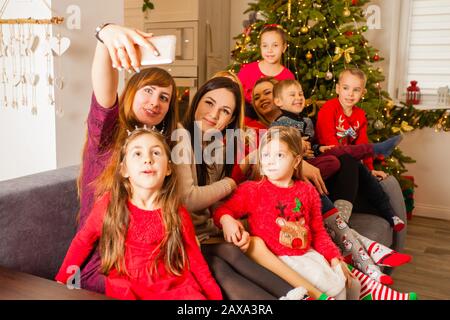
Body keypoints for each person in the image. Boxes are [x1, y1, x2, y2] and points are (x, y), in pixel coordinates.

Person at [214, 126, 417, 300]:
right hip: (280, 259)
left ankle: (370, 292)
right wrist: (226, 219)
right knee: (327, 284)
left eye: (279, 155)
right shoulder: (252, 190)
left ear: (296, 161)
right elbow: (223, 209)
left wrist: (334, 257)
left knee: (343, 279)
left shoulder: (306, 191)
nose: (270, 161)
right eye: (266, 155)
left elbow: (318, 231)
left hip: (307, 253)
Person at [270, 79, 411, 284]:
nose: (299, 97)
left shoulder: (306, 121)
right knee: (340, 156)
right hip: (297, 167)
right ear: (278, 102)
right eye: (292, 95)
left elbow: (313, 146)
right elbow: (278, 149)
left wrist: (319, 149)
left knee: (342, 159)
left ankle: (371, 217)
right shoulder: (279, 124)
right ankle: (376, 149)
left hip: (315, 164)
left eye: (300, 93)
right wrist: (297, 148)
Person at [56, 128, 222, 300]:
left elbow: (196, 261)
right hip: (128, 286)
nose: (148, 160)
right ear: (124, 170)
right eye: (137, 154)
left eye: (156, 153)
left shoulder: (177, 213)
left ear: (168, 169)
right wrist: (61, 280)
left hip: (173, 287)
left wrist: (215, 297)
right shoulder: (111, 204)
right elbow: (83, 241)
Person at [173, 76, 301, 299]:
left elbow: (214, 201)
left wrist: (227, 219)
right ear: (197, 100)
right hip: (184, 238)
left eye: (224, 111)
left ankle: (299, 295)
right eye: (209, 103)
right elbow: (189, 198)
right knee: (222, 264)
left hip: (206, 234)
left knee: (233, 253)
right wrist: (231, 183)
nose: (214, 115)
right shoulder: (181, 135)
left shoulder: (210, 144)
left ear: (230, 119)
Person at [77, 24, 179, 293]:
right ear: (131, 91)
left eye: (164, 97)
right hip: (105, 266)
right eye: (148, 90)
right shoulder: (107, 134)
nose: (155, 101)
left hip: (149, 265)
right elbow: (104, 88)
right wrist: (105, 36)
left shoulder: (159, 151)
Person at [316, 69, 406, 231]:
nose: (350, 94)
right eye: (346, 88)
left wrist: (370, 168)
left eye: (356, 90)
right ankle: (385, 212)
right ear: (337, 89)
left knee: (366, 174)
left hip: (350, 162)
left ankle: (388, 213)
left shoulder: (359, 115)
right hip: (332, 159)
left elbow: (362, 142)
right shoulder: (329, 109)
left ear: (362, 92)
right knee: (353, 162)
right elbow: (330, 145)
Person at [237, 24, 295, 119]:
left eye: (275, 45)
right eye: (265, 46)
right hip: (248, 122)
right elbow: (237, 98)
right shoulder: (247, 71)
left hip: (275, 124)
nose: (269, 50)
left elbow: (289, 107)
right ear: (260, 47)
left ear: (284, 48)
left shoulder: (288, 77)